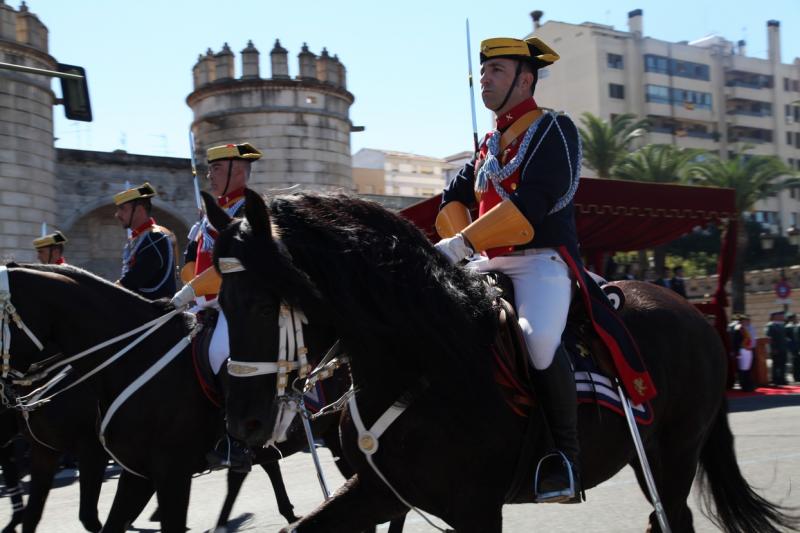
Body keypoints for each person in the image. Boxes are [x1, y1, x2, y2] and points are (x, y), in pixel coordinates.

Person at [434, 36, 655, 503]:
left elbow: (533, 205)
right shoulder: (486, 145)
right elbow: (451, 199)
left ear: (525, 78)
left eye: (496, 71)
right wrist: (460, 244)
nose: (484, 80)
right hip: (485, 262)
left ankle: (564, 458)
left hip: (542, 263)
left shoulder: (554, 129)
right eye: (482, 72)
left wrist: (464, 241)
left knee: (535, 339)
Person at [170, 142, 262, 472]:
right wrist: (193, 255)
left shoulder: (248, 212)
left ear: (239, 171)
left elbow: (229, 264)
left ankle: (236, 440)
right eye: (209, 170)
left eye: (217, 169)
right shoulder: (206, 218)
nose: (209, 175)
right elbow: (191, 266)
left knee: (220, 352)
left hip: (237, 304)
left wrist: (191, 289)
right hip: (203, 304)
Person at [113, 182, 179, 300]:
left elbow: (133, 280)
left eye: (123, 209)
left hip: (156, 313)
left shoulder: (155, 238)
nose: (117, 215)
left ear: (139, 210)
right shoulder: (141, 237)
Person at [730, 314, 755, 392]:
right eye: (745, 320)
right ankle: (744, 385)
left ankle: (748, 384)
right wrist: (736, 351)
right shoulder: (739, 328)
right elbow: (735, 341)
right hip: (742, 350)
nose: (747, 322)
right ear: (741, 321)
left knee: (747, 368)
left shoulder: (745, 328)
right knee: (743, 369)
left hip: (747, 349)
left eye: (747, 320)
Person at [765, 310, 788, 385]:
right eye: (779, 316)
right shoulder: (770, 325)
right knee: (776, 365)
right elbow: (769, 338)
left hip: (783, 348)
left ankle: (782, 379)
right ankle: (775, 379)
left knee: (783, 364)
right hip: (776, 349)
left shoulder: (782, 325)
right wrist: (773, 349)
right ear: (774, 317)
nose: (782, 317)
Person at [785, 313, 799, 383]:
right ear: (791, 319)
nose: (797, 319)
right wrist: (790, 346)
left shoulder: (798, 326)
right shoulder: (788, 327)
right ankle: (796, 377)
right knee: (794, 362)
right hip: (793, 348)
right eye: (795, 318)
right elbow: (787, 338)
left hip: (798, 347)